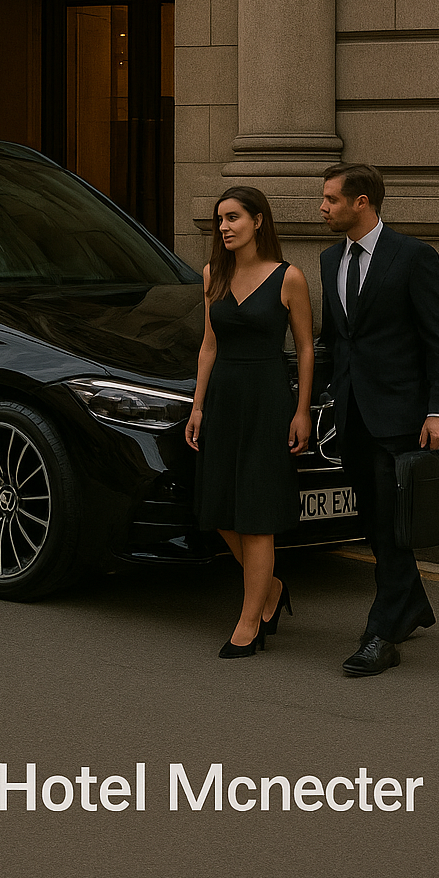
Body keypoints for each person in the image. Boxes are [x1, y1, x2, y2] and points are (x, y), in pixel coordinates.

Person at [319, 163, 439, 677]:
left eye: (332, 199)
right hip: (350, 414)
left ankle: (383, 633)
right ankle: (411, 602)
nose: (322, 208)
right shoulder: (330, 258)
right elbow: (336, 340)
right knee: (372, 518)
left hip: (400, 414)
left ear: (362, 202)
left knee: (390, 523)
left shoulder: (414, 256)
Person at [186, 187, 313, 659]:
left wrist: (301, 410)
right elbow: (209, 345)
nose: (224, 227)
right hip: (223, 399)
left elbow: (304, 348)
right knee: (219, 509)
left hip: (267, 400)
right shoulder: (212, 274)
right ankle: (271, 588)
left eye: (233, 217)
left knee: (257, 517)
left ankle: (248, 620)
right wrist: (198, 406)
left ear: (258, 221)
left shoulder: (288, 277)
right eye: (220, 219)